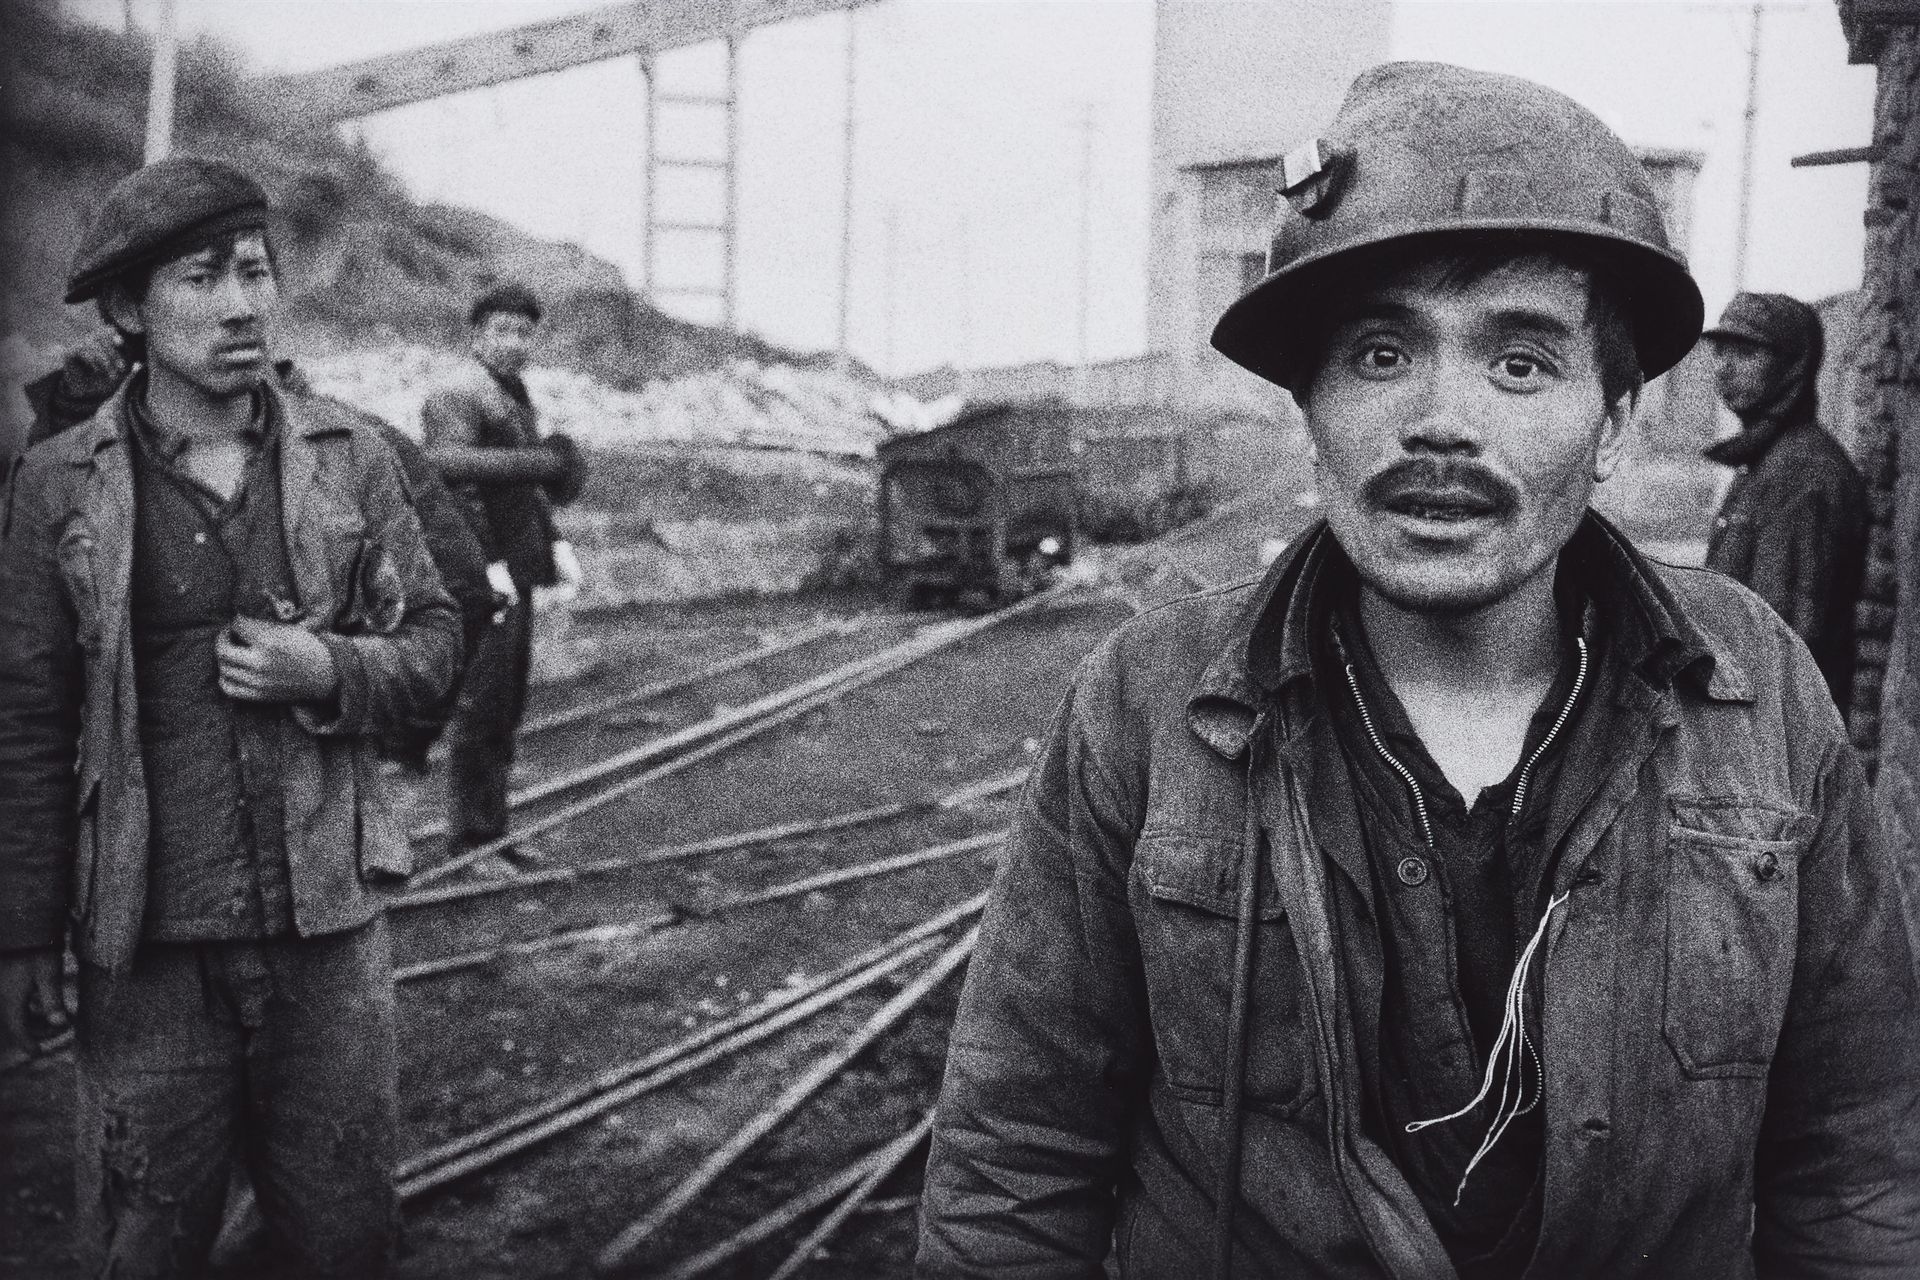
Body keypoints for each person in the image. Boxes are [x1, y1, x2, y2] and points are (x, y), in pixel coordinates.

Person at [918, 63, 1920, 1279]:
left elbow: (1857, 1158)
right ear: (1314, 406)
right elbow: (1018, 1161)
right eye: (1382, 354)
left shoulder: (1753, 690)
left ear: (1613, 423)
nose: (1441, 421)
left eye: (1521, 364)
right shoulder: (1150, 701)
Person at [0, 155, 463, 1276]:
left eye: (255, 270)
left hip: (328, 942)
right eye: (202, 278)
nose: (243, 302)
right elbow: (23, 718)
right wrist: (18, 930)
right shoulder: (60, 483)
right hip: (145, 948)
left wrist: (332, 671)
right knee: (142, 1240)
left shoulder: (353, 458)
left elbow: (440, 644)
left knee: (345, 1236)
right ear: (128, 310)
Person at [423, 283, 584, 876]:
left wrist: (556, 543)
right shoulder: (456, 394)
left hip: (513, 566)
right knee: (484, 702)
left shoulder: (513, 396)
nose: (514, 342)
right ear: (477, 334)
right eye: (502, 330)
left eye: (523, 332)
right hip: (481, 570)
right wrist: (488, 566)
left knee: (507, 703)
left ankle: (492, 833)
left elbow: (524, 493)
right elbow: (450, 475)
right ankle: (468, 843)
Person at [1702, 291, 1867, 712]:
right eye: (1721, 353)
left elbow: (1783, 648)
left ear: (1792, 366)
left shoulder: (1803, 476)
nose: (1725, 369)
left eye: (1746, 353)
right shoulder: (1766, 463)